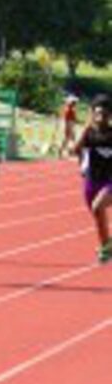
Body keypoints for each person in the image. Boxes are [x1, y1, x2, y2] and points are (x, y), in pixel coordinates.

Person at [73, 94, 112, 263]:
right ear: (92, 114)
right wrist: (85, 128)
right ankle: (106, 246)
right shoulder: (88, 133)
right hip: (91, 180)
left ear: (110, 115)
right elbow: (75, 149)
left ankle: (105, 246)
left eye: (104, 114)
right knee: (97, 215)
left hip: (109, 181)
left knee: (98, 206)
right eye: (97, 113)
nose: (101, 117)